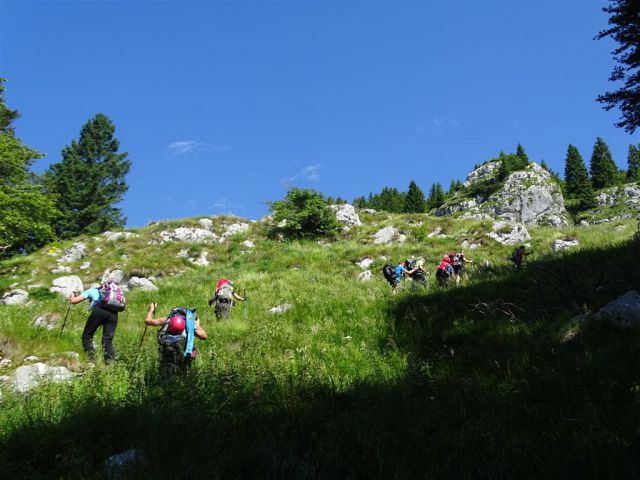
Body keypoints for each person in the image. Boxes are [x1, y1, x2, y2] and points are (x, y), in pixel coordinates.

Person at [143, 303, 207, 378]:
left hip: (166, 350)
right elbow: (204, 336)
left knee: (165, 370)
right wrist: (196, 324)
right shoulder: (189, 324)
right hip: (182, 353)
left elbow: (147, 321)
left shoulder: (166, 320)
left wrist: (151, 310)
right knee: (185, 367)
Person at [68, 282, 125, 364]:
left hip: (99, 311)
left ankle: (92, 362)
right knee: (107, 341)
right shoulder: (114, 295)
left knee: (87, 336)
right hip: (114, 314)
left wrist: (72, 295)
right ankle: (110, 366)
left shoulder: (92, 290)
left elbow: (73, 301)